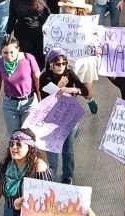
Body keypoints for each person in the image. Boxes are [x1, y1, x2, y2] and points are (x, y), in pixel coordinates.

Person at [39, 48, 93, 184]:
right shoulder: (44, 77)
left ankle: (67, 175)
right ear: (50, 64)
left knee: (67, 149)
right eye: (57, 64)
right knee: (52, 150)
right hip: (52, 119)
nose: (61, 66)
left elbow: (85, 90)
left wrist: (72, 89)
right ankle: (51, 174)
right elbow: (45, 99)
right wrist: (58, 87)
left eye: (64, 63)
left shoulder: (69, 74)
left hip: (69, 117)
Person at [0, 129, 53, 216]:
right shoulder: (6, 163)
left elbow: (47, 197)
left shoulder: (39, 167)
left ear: (30, 147)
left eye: (19, 144)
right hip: (9, 209)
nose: (14, 147)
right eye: (11, 144)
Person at [0, 37, 42, 135]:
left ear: (18, 49)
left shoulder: (28, 58)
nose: (9, 56)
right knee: (14, 136)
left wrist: (41, 102)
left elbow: (38, 81)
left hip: (29, 103)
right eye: (5, 53)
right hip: (10, 104)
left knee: (28, 136)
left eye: (12, 52)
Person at [6, 0, 49, 64]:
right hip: (23, 33)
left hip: (39, 31)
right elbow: (12, 16)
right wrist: (8, 32)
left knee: (41, 58)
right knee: (29, 58)